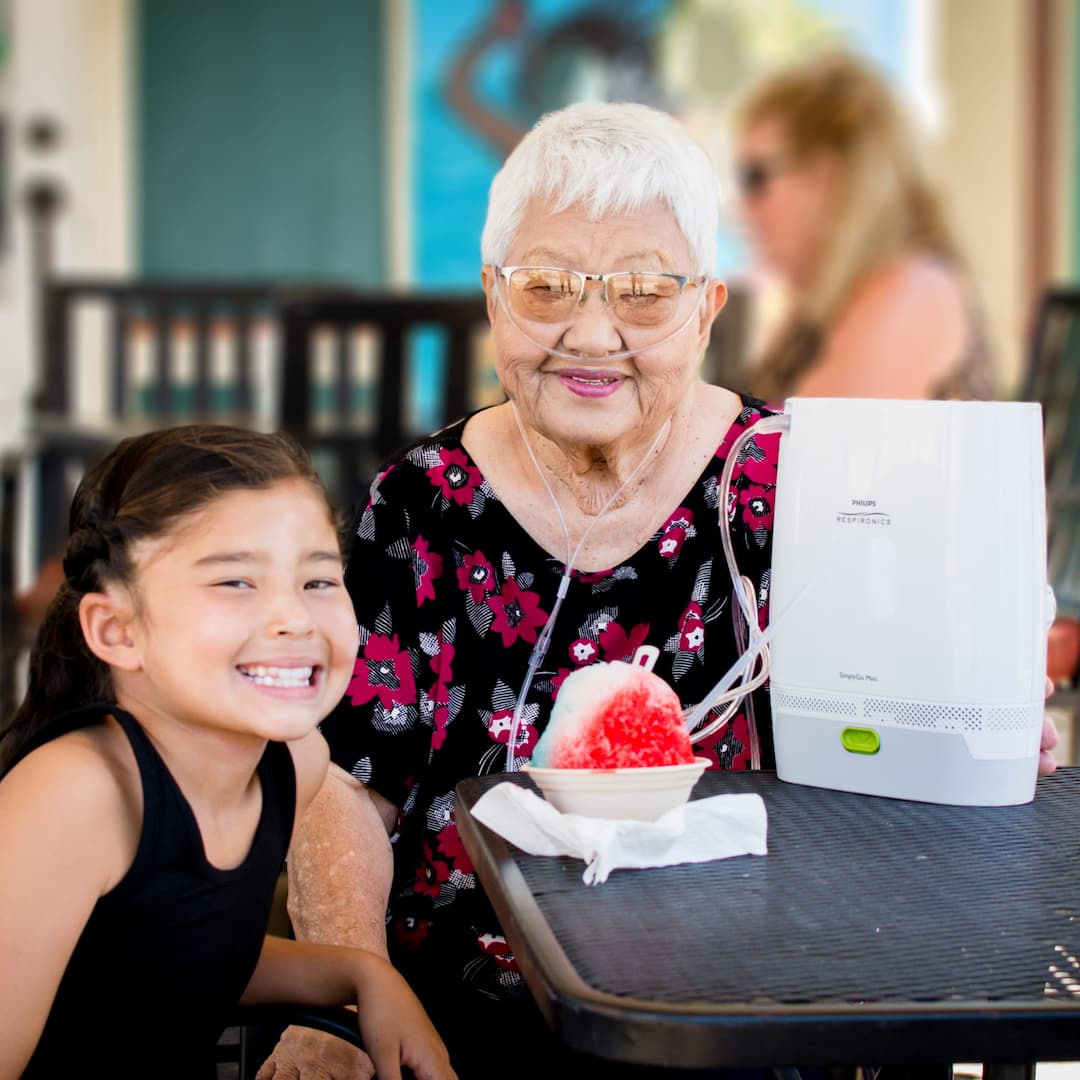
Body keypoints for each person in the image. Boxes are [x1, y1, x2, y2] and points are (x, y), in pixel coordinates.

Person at [268, 102, 1058, 1080]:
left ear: (708, 308)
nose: (591, 333)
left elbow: (888, 759)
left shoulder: (797, 487)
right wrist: (348, 999)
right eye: (549, 285)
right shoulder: (421, 501)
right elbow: (346, 786)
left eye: (643, 291)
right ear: (492, 298)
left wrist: (965, 722)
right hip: (457, 1009)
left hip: (744, 1007)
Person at [0, 425, 456, 1080]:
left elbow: (176, 957)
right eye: (236, 582)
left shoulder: (289, 766)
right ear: (116, 630)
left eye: (319, 581)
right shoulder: (78, 795)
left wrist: (363, 974)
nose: (294, 619)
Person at [733, 51, 995, 403]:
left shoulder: (912, 292)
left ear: (827, 177)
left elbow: (808, 451)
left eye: (755, 177)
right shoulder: (842, 304)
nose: (743, 206)